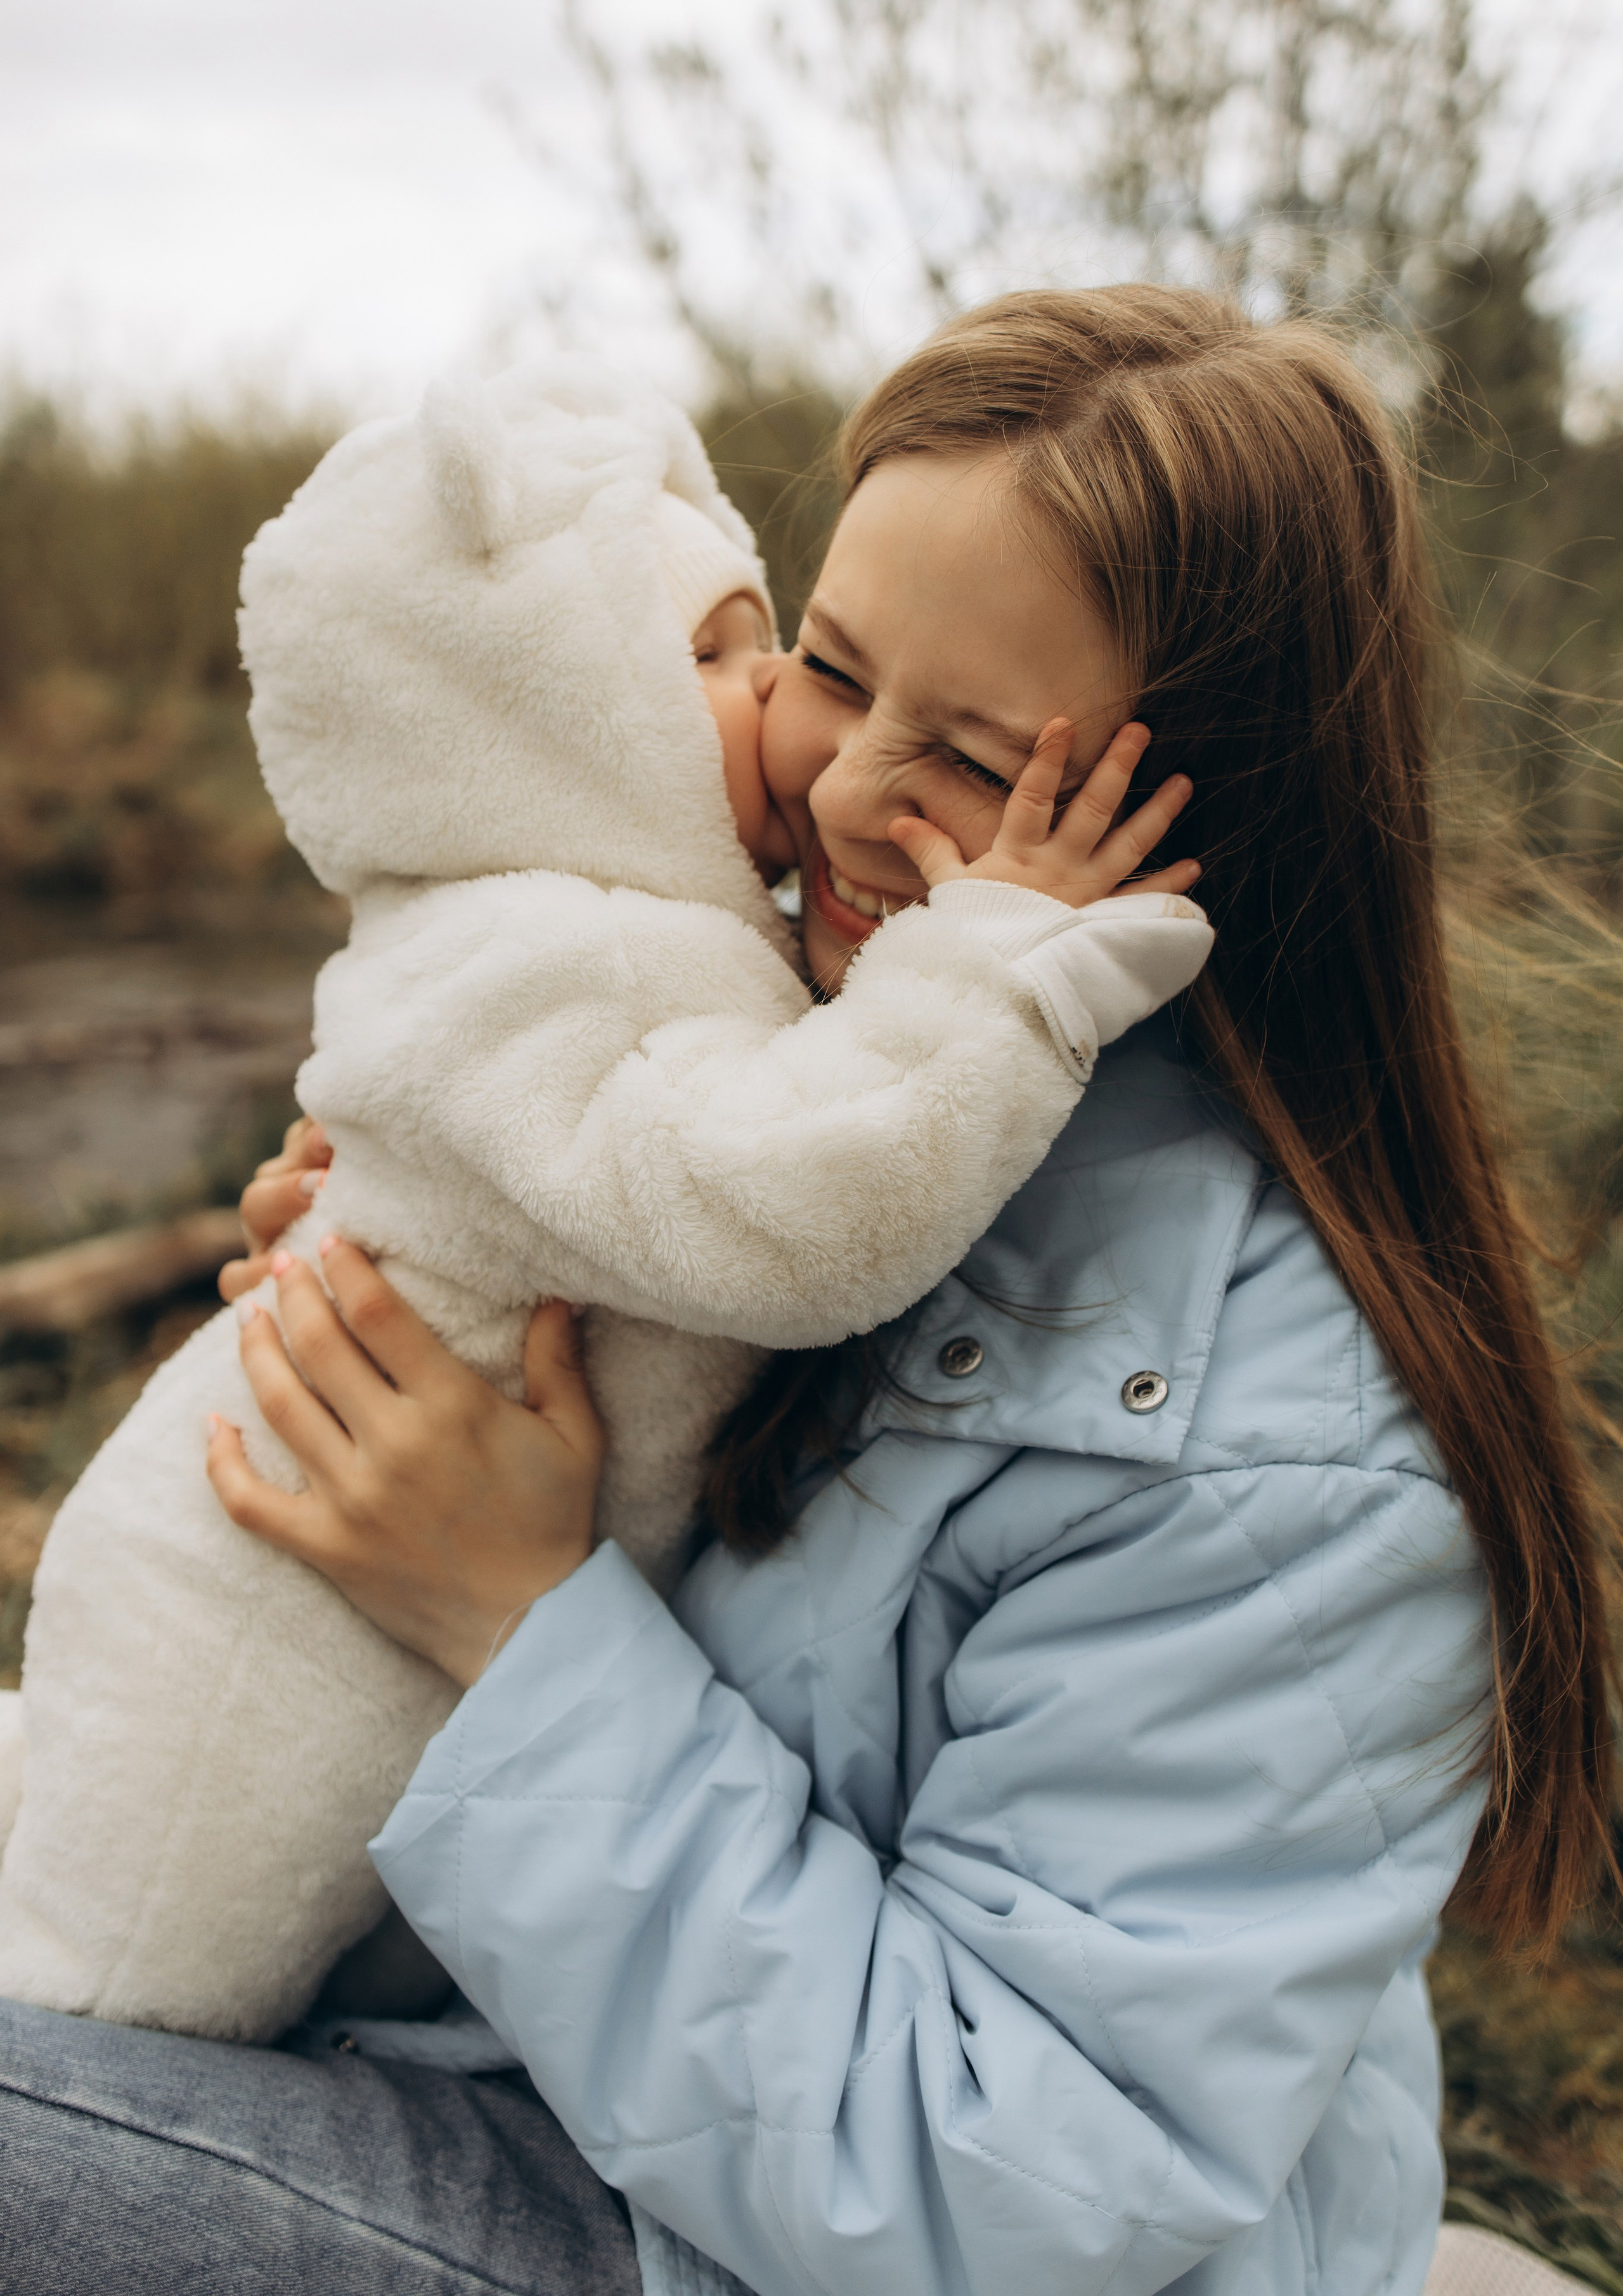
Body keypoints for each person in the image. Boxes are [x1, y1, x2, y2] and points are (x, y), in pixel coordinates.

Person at [0, 286, 1612, 2296]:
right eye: (830, 670)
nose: (849, 792)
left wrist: (514, 1619)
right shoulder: (783, 1064)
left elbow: (996, 2195)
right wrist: (444, 1266)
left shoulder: (1276, 1454)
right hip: (517, 2058)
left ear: (1225, 823)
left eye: (983, 761)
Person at [0, 359, 1206, 2047]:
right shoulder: (583, 955)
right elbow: (792, 1198)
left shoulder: (627, 937)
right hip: (278, 1602)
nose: (799, 712)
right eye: (754, 661)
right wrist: (1001, 971)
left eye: (758, 633)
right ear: (549, 721)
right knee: (110, 2003)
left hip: (415, 1636)